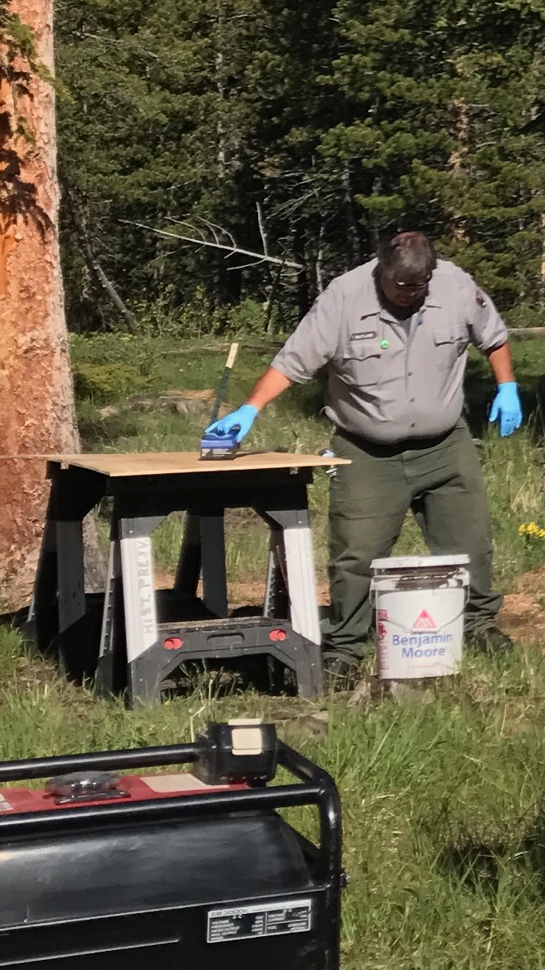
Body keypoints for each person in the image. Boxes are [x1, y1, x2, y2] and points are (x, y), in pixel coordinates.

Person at [203, 228, 524, 675]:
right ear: (381, 272)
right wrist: (249, 410)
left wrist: (507, 386)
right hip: (367, 452)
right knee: (355, 555)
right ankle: (345, 647)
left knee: (470, 542)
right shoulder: (344, 298)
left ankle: (478, 624)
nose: (410, 293)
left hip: (445, 446)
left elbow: (493, 337)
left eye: (419, 285)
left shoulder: (454, 284)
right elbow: (293, 362)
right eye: (400, 285)